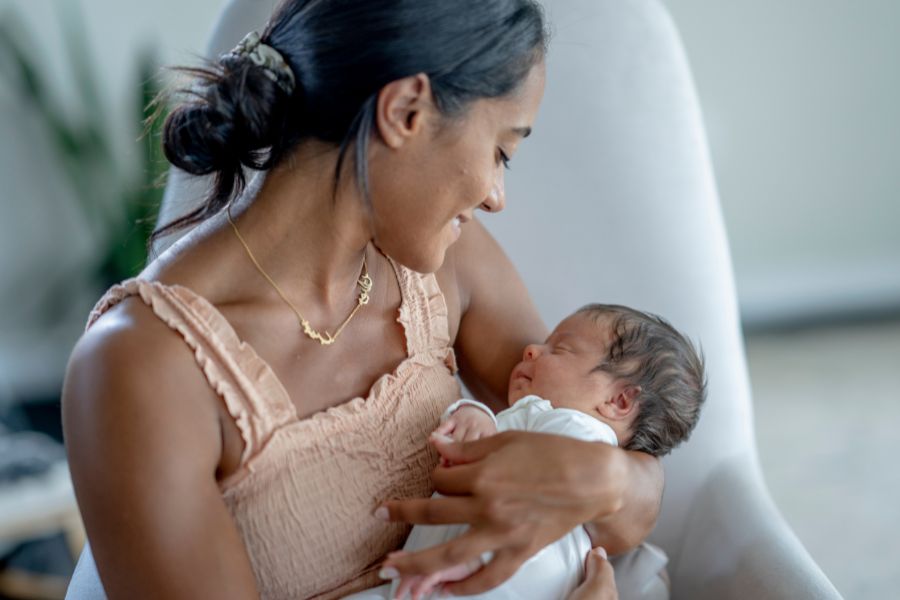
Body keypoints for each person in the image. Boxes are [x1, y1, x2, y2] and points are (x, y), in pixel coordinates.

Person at [61, 1, 664, 598]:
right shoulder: (143, 366)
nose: (496, 196)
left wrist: (603, 476)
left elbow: (628, 478)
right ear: (405, 112)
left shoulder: (451, 260)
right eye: (500, 151)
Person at [350, 304, 705, 600]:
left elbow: (522, 522)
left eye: (560, 349)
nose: (531, 350)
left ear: (619, 401)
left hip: (482, 576)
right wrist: (475, 415)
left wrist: (471, 561)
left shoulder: (577, 432)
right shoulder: (542, 422)